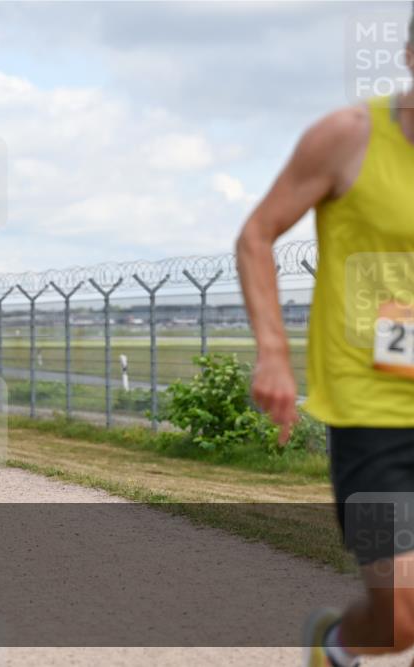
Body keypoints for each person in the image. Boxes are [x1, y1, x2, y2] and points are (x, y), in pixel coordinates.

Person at [236, 15, 414, 666]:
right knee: (400, 616)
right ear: (410, 56)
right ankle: (336, 643)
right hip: (373, 417)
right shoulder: (348, 137)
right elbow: (256, 233)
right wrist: (274, 354)